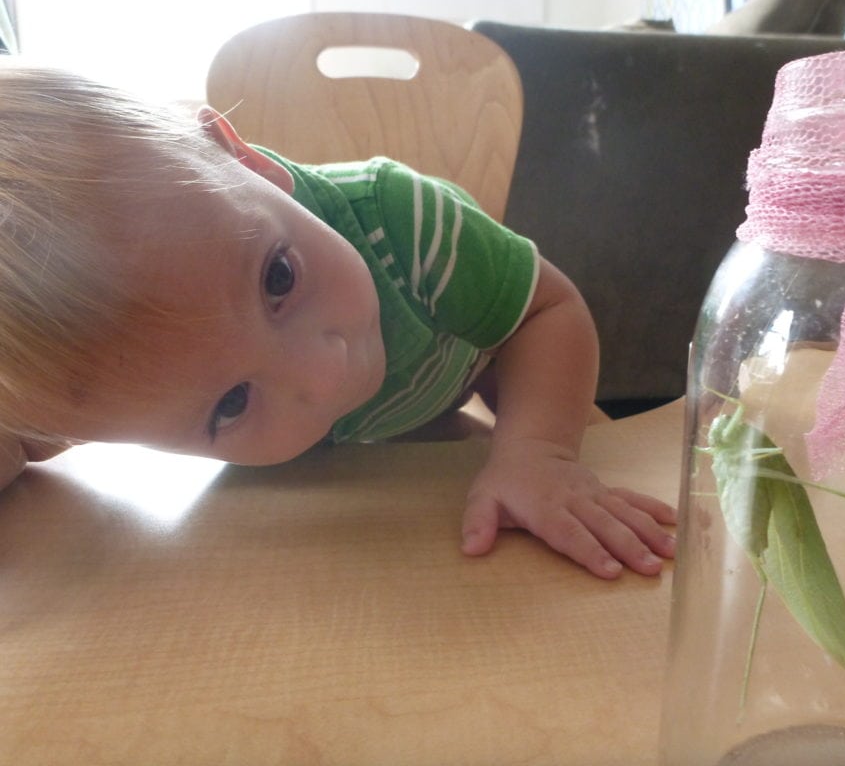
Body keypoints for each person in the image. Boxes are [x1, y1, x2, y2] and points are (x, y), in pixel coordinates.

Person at [0, 63, 675, 578]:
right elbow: (30, 438)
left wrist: (539, 452)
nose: (324, 376)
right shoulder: (98, 374)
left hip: (477, 366)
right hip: (376, 462)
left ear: (240, 156)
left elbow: (545, 313)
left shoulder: (406, 221)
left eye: (278, 279)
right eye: (231, 404)